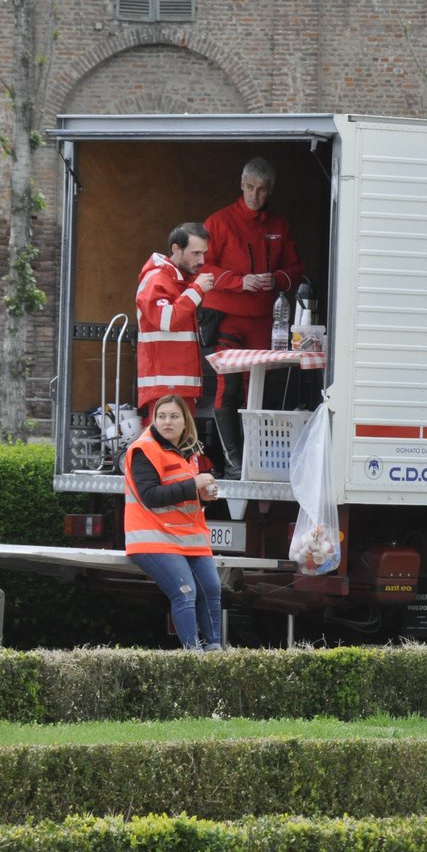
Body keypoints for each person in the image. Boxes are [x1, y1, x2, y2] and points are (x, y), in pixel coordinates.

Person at [201, 156, 305, 477]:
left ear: (270, 191)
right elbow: (202, 267)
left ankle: (255, 459)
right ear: (241, 185)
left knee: (257, 390)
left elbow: (296, 269)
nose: (254, 195)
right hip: (228, 317)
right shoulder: (218, 222)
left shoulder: (279, 226)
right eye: (249, 187)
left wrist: (276, 279)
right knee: (228, 386)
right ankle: (235, 461)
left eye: (261, 190)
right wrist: (239, 281)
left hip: (266, 320)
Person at [122, 393, 223, 651]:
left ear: (185, 421)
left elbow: (187, 499)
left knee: (211, 589)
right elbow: (151, 496)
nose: (167, 422)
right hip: (153, 540)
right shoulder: (144, 449)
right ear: (154, 420)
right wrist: (193, 485)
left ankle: (214, 652)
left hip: (187, 539)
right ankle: (193, 655)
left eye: (174, 416)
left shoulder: (189, 451)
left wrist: (205, 496)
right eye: (162, 416)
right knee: (185, 592)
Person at [135, 222, 215, 418]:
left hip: (175, 384)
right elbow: (166, 320)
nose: (201, 259)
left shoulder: (177, 279)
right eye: (195, 253)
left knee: (179, 444)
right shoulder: (157, 279)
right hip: (165, 385)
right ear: (176, 249)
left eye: (203, 253)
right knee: (167, 443)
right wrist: (196, 291)